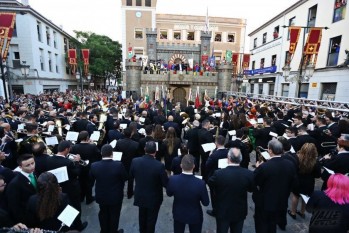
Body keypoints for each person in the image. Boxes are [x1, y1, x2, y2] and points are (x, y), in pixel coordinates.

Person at [253, 139, 297, 233]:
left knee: (262, 225)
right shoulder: (290, 164)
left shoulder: (264, 167)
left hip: (265, 202)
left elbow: (255, 181)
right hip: (282, 200)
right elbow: (293, 182)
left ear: (270, 150)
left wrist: (257, 168)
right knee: (272, 224)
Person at [208, 148, 255, 233]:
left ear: (228, 158)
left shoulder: (219, 173)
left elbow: (210, 183)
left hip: (223, 210)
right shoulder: (248, 174)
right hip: (239, 210)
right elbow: (251, 189)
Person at [45, 141, 88, 231]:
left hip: (57, 189)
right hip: (71, 188)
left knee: (62, 208)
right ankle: (78, 226)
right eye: (69, 149)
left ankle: (66, 226)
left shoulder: (48, 159)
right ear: (66, 149)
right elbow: (77, 173)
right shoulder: (67, 162)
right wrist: (77, 161)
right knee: (75, 207)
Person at [130, 141, 168, 233]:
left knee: (142, 218)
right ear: (156, 151)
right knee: (151, 221)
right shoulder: (159, 166)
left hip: (140, 195)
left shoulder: (135, 161)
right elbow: (165, 183)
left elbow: (131, 176)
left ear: (144, 150)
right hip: (154, 198)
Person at [90, 144, 128, 233]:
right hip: (115, 195)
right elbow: (125, 177)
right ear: (112, 154)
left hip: (101, 195)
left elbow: (91, 178)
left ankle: (104, 230)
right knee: (114, 215)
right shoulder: (118, 165)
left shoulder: (94, 165)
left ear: (101, 153)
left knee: (103, 213)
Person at [166, 154, 209, 233]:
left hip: (178, 213)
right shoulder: (200, 183)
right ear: (193, 166)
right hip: (195, 215)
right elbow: (206, 203)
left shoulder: (173, 179)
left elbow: (169, 193)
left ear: (181, 166)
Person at [288, 143, 321, 219]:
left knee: (296, 196)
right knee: (305, 197)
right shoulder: (315, 162)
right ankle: (302, 212)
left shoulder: (297, 158)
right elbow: (318, 175)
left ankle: (293, 212)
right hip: (309, 182)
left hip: (298, 180)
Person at [70, 131, 101, 205]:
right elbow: (99, 156)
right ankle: (89, 198)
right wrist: (93, 144)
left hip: (79, 168)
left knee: (81, 182)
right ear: (87, 138)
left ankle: (81, 197)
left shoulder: (74, 147)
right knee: (89, 184)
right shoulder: (92, 146)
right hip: (89, 168)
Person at [6, 154, 37, 224]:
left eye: (32, 163)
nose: (32, 166)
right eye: (27, 165)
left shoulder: (35, 173)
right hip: (29, 218)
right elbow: (15, 207)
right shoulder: (14, 184)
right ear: (20, 167)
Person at [114, 127, 140, 199]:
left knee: (121, 179)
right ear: (131, 134)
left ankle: (120, 192)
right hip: (132, 163)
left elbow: (116, 153)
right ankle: (130, 193)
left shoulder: (119, 142)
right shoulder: (136, 144)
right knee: (131, 179)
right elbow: (138, 155)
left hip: (122, 163)